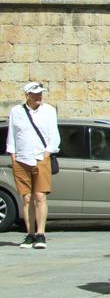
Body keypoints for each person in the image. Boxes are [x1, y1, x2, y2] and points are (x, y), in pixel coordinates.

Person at [8, 81, 60, 250]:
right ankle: (30, 233)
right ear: (27, 95)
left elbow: (54, 134)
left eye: (40, 93)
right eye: (35, 93)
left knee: (39, 196)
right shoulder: (16, 111)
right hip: (22, 158)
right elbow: (13, 135)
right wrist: (13, 156)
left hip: (40, 157)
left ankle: (40, 233)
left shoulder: (49, 111)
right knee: (27, 198)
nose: (39, 96)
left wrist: (47, 153)